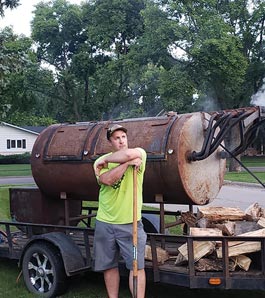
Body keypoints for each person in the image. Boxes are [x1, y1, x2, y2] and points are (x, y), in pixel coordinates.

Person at [93, 124, 147, 298]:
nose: (121, 140)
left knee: (136, 266)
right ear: (110, 141)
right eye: (116, 138)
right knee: (109, 265)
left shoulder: (139, 153)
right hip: (105, 221)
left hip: (130, 223)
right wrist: (127, 164)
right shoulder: (98, 162)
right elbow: (107, 180)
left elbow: (130, 154)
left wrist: (115, 161)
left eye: (123, 136)